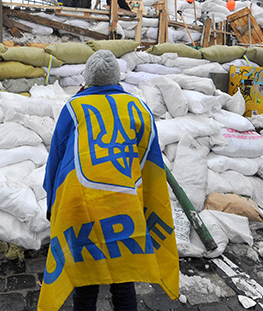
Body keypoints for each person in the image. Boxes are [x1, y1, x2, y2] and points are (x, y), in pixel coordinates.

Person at [39, 49, 180, 311]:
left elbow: (56, 159)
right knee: (123, 277)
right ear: (116, 78)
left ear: (88, 78)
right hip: (124, 208)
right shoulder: (139, 108)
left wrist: (52, 206)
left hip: (81, 207)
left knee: (86, 278)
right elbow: (150, 164)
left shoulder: (74, 108)